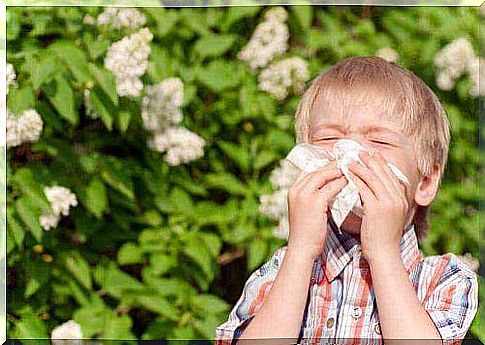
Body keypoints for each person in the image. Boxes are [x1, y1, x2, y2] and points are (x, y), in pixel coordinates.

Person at [214, 56, 478, 345]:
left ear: (425, 182)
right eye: (329, 138)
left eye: (380, 141)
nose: (348, 151)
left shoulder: (443, 279)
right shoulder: (282, 270)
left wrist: (383, 252)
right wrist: (300, 250)